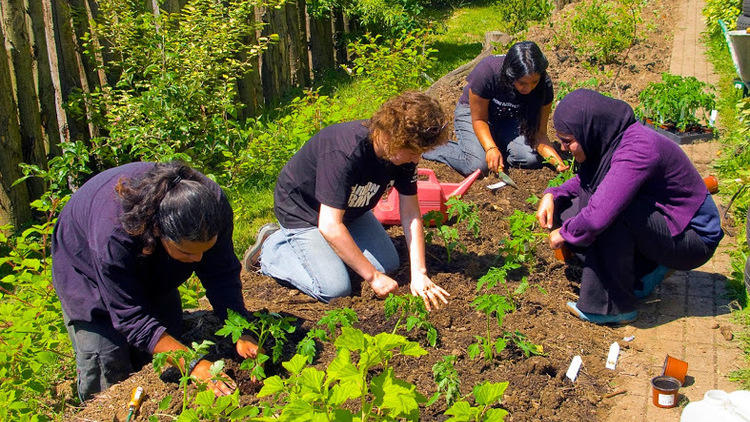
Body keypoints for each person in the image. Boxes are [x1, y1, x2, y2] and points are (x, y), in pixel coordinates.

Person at [52, 161, 259, 401]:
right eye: (189, 253)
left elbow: (221, 273)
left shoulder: (211, 208)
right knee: (106, 362)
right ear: (159, 232)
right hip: (85, 265)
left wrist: (241, 329)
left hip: (147, 256)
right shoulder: (114, 234)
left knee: (161, 344)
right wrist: (194, 363)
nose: (199, 260)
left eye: (205, 250)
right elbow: (131, 317)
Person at [244, 91, 450, 311]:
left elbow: (410, 213)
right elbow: (330, 225)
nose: (417, 159)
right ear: (392, 137)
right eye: (413, 152)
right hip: (303, 211)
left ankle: (326, 252)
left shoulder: (403, 155)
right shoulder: (345, 152)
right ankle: (271, 248)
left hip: (349, 210)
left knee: (388, 264)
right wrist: (372, 277)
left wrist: (419, 273)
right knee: (334, 289)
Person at [536, 89, 723, 324]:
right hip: (666, 222)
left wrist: (564, 233)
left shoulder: (636, 150)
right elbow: (587, 181)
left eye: (568, 141)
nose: (563, 148)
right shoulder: (613, 138)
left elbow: (597, 217)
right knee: (567, 209)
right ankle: (643, 272)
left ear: (590, 127)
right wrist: (553, 194)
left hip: (694, 237)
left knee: (608, 213)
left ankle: (613, 306)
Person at [422, 41, 568, 177]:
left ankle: (493, 144)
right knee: (478, 166)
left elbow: (540, 133)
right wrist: (491, 148)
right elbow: (479, 119)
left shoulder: (543, 86)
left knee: (529, 158)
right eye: (522, 83)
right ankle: (430, 146)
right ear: (511, 75)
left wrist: (556, 161)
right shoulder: (487, 72)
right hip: (474, 114)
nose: (528, 88)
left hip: (508, 117)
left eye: (534, 82)